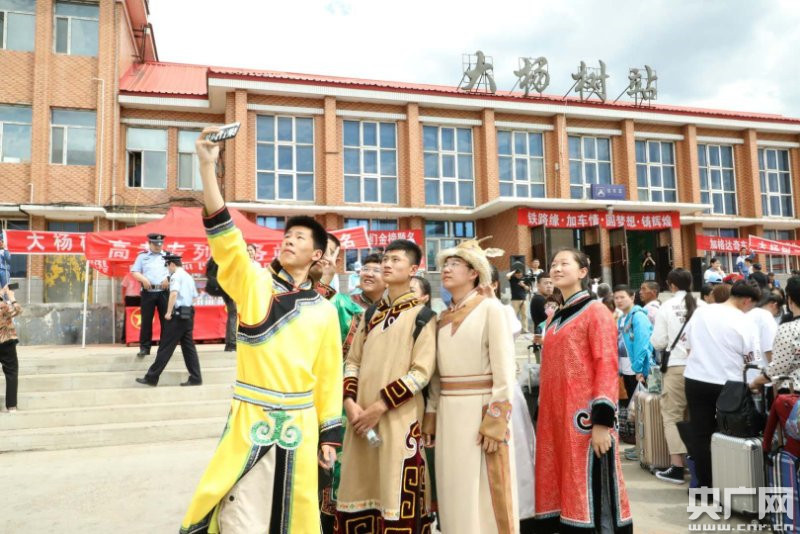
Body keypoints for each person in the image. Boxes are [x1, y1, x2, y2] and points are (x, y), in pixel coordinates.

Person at [180, 128, 343, 533]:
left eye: (299, 238)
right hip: (251, 417)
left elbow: (329, 377)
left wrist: (329, 436)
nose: (289, 241)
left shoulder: (324, 310)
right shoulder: (254, 284)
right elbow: (227, 242)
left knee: (290, 518)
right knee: (238, 517)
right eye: (286, 236)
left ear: (317, 254)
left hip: (300, 426)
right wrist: (207, 167)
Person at [336, 239, 437, 533]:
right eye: (385, 260)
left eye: (396, 260)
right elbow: (352, 362)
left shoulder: (423, 317)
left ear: (414, 269)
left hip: (399, 420)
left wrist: (379, 407)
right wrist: (350, 403)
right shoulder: (370, 315)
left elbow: (421, 373)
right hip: (360, 421)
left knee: (396, 490)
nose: (387, 265)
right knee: (359, 487)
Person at [533, 249, 632, 532]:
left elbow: (606, 364)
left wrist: (602, 421)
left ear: (583, 272)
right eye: (553, 264)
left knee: (589, 486)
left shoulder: (596, 311)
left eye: (564, 263)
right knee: (560, 480)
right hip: (556, 418)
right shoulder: (554, 317)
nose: (556, 268)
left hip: (584, 420)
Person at [424, 238, 518, 534]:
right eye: (445, 265)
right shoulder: (441, 317)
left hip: (481, 411)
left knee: (486, 492)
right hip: (448, 414)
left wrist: (496, 420)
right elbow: (436, 377)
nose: (446, 269)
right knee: (453, 489)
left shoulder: (491, 308)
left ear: (474, 272)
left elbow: (505, 370)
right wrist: (431, 415)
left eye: (454, 264)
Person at [683, 280, 761, 488]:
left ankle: (705, 485)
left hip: (695, 379)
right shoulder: (745, 321)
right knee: (732, 433)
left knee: (701, 434)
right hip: (728, 384)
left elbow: (687, 344)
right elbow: (751, 359)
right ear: (747, 301)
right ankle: (729, 483)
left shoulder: (701, 312)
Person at [650, 268, 701, 485]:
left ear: (671, 285)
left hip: (677, 367)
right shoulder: (702, 305)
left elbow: (658, 342)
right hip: (702, 369)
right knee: (698, 416)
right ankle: (699, 466)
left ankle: (677, 467)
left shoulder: (667, 306)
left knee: (672, 416)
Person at [135, 254, 203, 387]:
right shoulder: (188, 276)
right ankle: (196, 377)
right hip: (188, 313)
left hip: (178, 315)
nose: (168, 269)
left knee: (165, 347)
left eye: (167, 266)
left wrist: (168, 312)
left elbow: (173, 293)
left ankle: (151, 377)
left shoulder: (176, 276)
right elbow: (195, 296)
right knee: (189, 348)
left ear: (172, 264)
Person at [750, 277, 800, 392]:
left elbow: (778, 368)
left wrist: (755, 382)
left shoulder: (788, 329)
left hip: (793, 392)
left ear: (790, 300)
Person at [130, 233, 170, 357]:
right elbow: (134, 271)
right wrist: (143, 279)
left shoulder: (168, 256)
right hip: (148, 292)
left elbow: (177, 271)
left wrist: (168, 278)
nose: (158, 246)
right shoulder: (142, 257)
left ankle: (164, 349)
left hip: (164, 292)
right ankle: (144, 348)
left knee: (166, 321)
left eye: (160, 244)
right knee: (146, 321)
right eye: (155, 244)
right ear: (149, 243)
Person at [614, 285, 654, 401]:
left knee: (647, 407)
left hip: (642, 371)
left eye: (622, 297)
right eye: (616, 298)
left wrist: (638, 369)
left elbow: (642, 344)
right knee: (634, 407)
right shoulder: (621, 319)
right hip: (627, 370)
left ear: (632, 297)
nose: (619, 301)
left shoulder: (639, 316)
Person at [205, 258, 237, 352]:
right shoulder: (227, 258)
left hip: (223, 288)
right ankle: (232, 343)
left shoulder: (216, 257)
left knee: (232, 314)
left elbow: (208, 273)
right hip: (229, 288)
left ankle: (229, 343)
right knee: (233, 314)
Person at [747, 290, 781, 372]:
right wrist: (776, 372)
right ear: (774, 305)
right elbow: (770, 349)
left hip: (746, 369)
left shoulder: (747, 313)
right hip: (761, 371)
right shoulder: (766, 316)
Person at [0, 286, 21, 412]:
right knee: (11, 372)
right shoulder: (3, 306)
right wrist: (12, 298)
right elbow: (17, 310)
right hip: (6, 342)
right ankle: (11, 406)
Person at [507, 263, 531, 334]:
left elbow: (528, 289)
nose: (519, 275)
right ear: (515, 274)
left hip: (523, 299)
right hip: (515, 300)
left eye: (520, 274)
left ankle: (525, 329)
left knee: (524, 315)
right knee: (514, 315)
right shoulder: (512, 279)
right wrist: (514, 271)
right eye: (517, 274)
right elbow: (507, 275)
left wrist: (523, 285)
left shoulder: (524, 280)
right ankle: (513, 329)